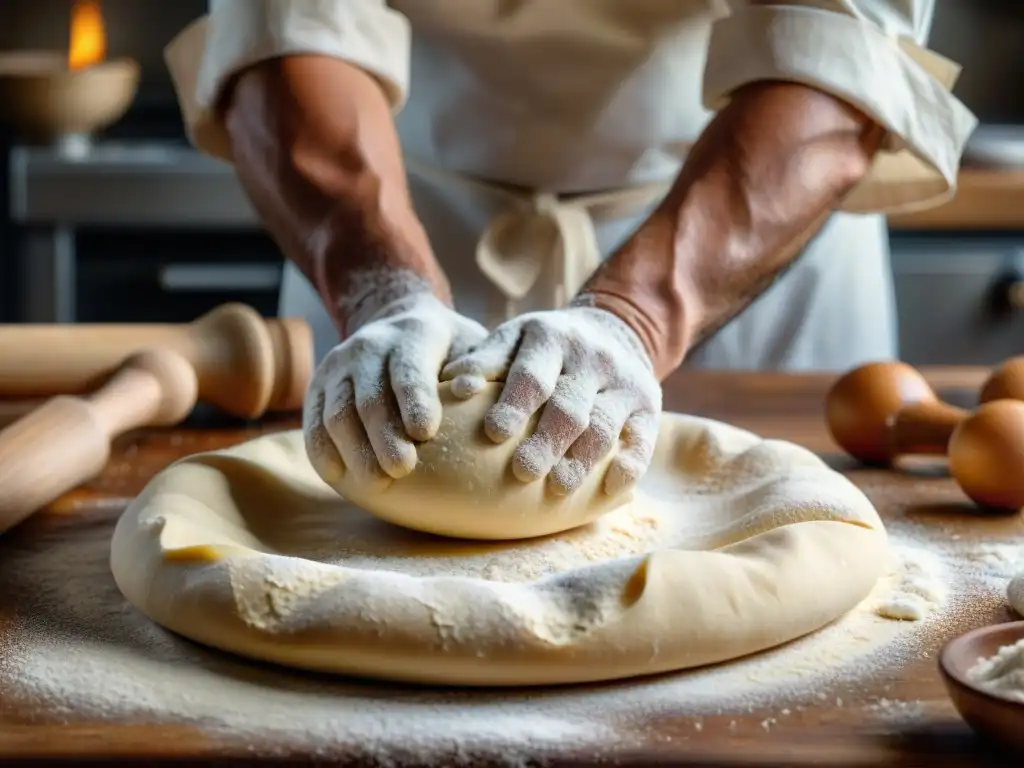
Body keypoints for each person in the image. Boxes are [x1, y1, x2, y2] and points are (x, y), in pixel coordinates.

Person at [165, 0, 976, 496]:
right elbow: (282, 28)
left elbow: (837, 54)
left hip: (742, 228)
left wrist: (630, 319)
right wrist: (383, 291)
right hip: (380, 213)